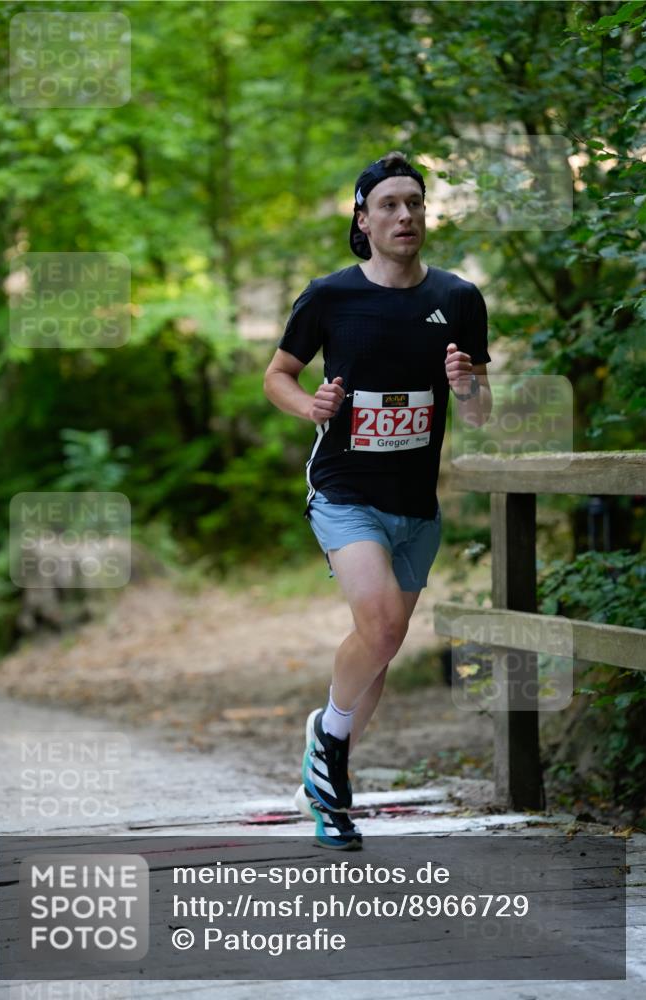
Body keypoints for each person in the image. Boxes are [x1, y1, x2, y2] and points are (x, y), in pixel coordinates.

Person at [263, 151, 492, 849]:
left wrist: (464, 385)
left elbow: (479, 412)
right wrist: (310, 406)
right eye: (388, 204)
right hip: (344, 491)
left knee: (379, 652)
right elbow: (277, 376)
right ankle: (328, 745)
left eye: (414, 204)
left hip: (414, 504)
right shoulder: (330, 296)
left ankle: (323, 778)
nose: (405, 216)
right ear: (362, 220)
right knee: (385, 626)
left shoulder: (457, 299)